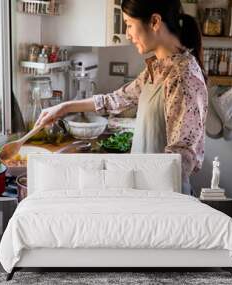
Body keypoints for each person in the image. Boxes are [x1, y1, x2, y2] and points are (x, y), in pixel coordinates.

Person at [34, 0, 208, 195]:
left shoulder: (183, 76)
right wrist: (63, 108)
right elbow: (115, 100)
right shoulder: (158, 67)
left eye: (129, 24)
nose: (128, 34)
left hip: (164, 199)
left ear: (155, 22)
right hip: (144, 191)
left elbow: (181, 159)